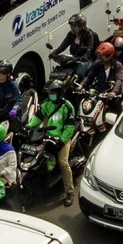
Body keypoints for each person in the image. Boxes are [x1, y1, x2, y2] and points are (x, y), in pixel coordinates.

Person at [28, 77, 79, 205]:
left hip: (61, 139)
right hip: (46, 137)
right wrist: (27, 127)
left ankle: (69, 192)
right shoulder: (46, 104)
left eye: (53, 93)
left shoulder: (67, 107)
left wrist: (61, 142)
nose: (51, 95)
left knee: (63, 163)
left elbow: (69, 127)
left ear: (60, 93)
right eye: (50, 93)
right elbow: (36, 119)